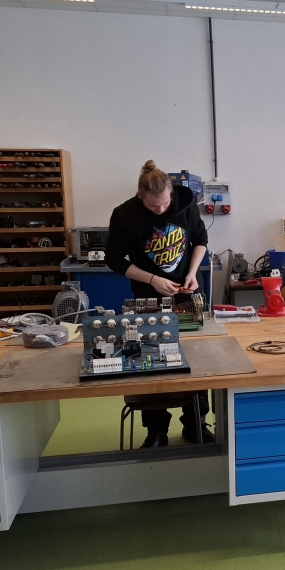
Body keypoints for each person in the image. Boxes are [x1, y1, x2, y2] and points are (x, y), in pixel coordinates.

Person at [105, 160, 212, 448]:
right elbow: (114, 259)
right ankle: (156, 431)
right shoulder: (124, 215)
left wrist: (192, 273)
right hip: (146, 297)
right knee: (149, 362)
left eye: (165, 203)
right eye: (154, 206)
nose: (162, 210)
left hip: (185, 294)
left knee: (195, 360)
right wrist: (152, 279)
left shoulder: (185, 203)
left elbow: (200, 240)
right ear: (140, 195)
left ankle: (195, 424)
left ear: (171, 193)